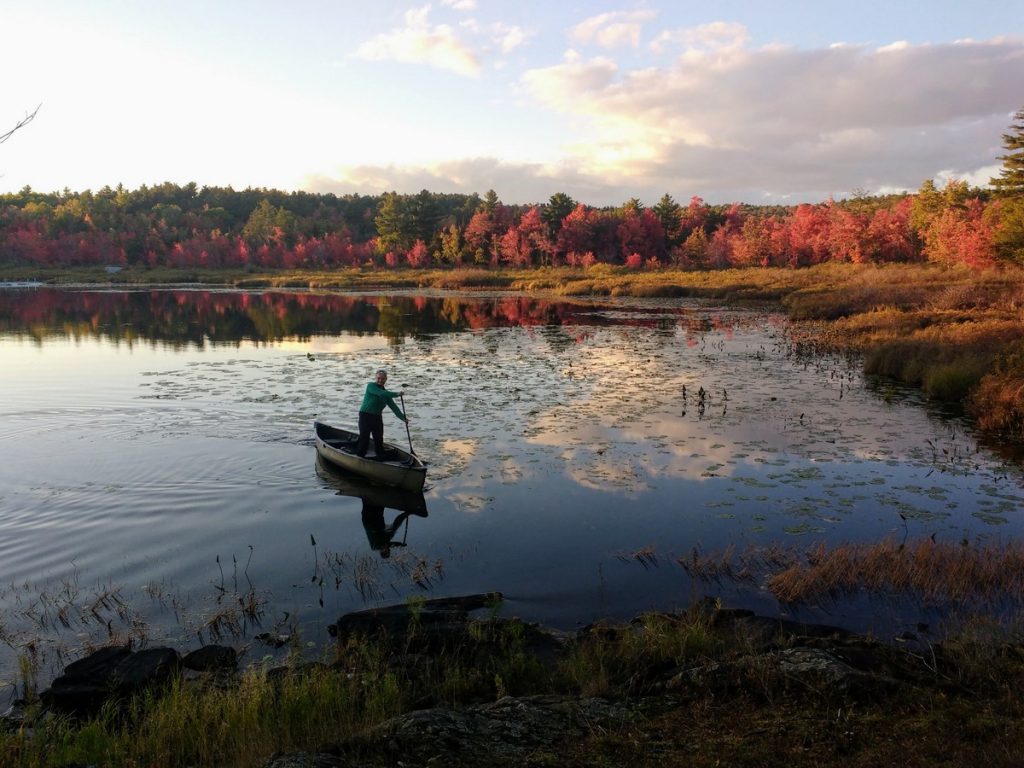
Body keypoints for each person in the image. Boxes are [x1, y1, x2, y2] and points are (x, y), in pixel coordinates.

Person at [356, 368, 407, 458]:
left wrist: (403, 418)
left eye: (382, 379)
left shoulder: (386, 393)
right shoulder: (371, 386)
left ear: (386, 379)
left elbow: (394, 407)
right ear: (376, 378)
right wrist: (396, 394)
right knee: (364, 438)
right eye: (379, 378)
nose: (380, 380)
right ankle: (360, 457)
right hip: (365, 416)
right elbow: (380, 393)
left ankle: (380, 456)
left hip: (377, 417)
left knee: (379, 438)